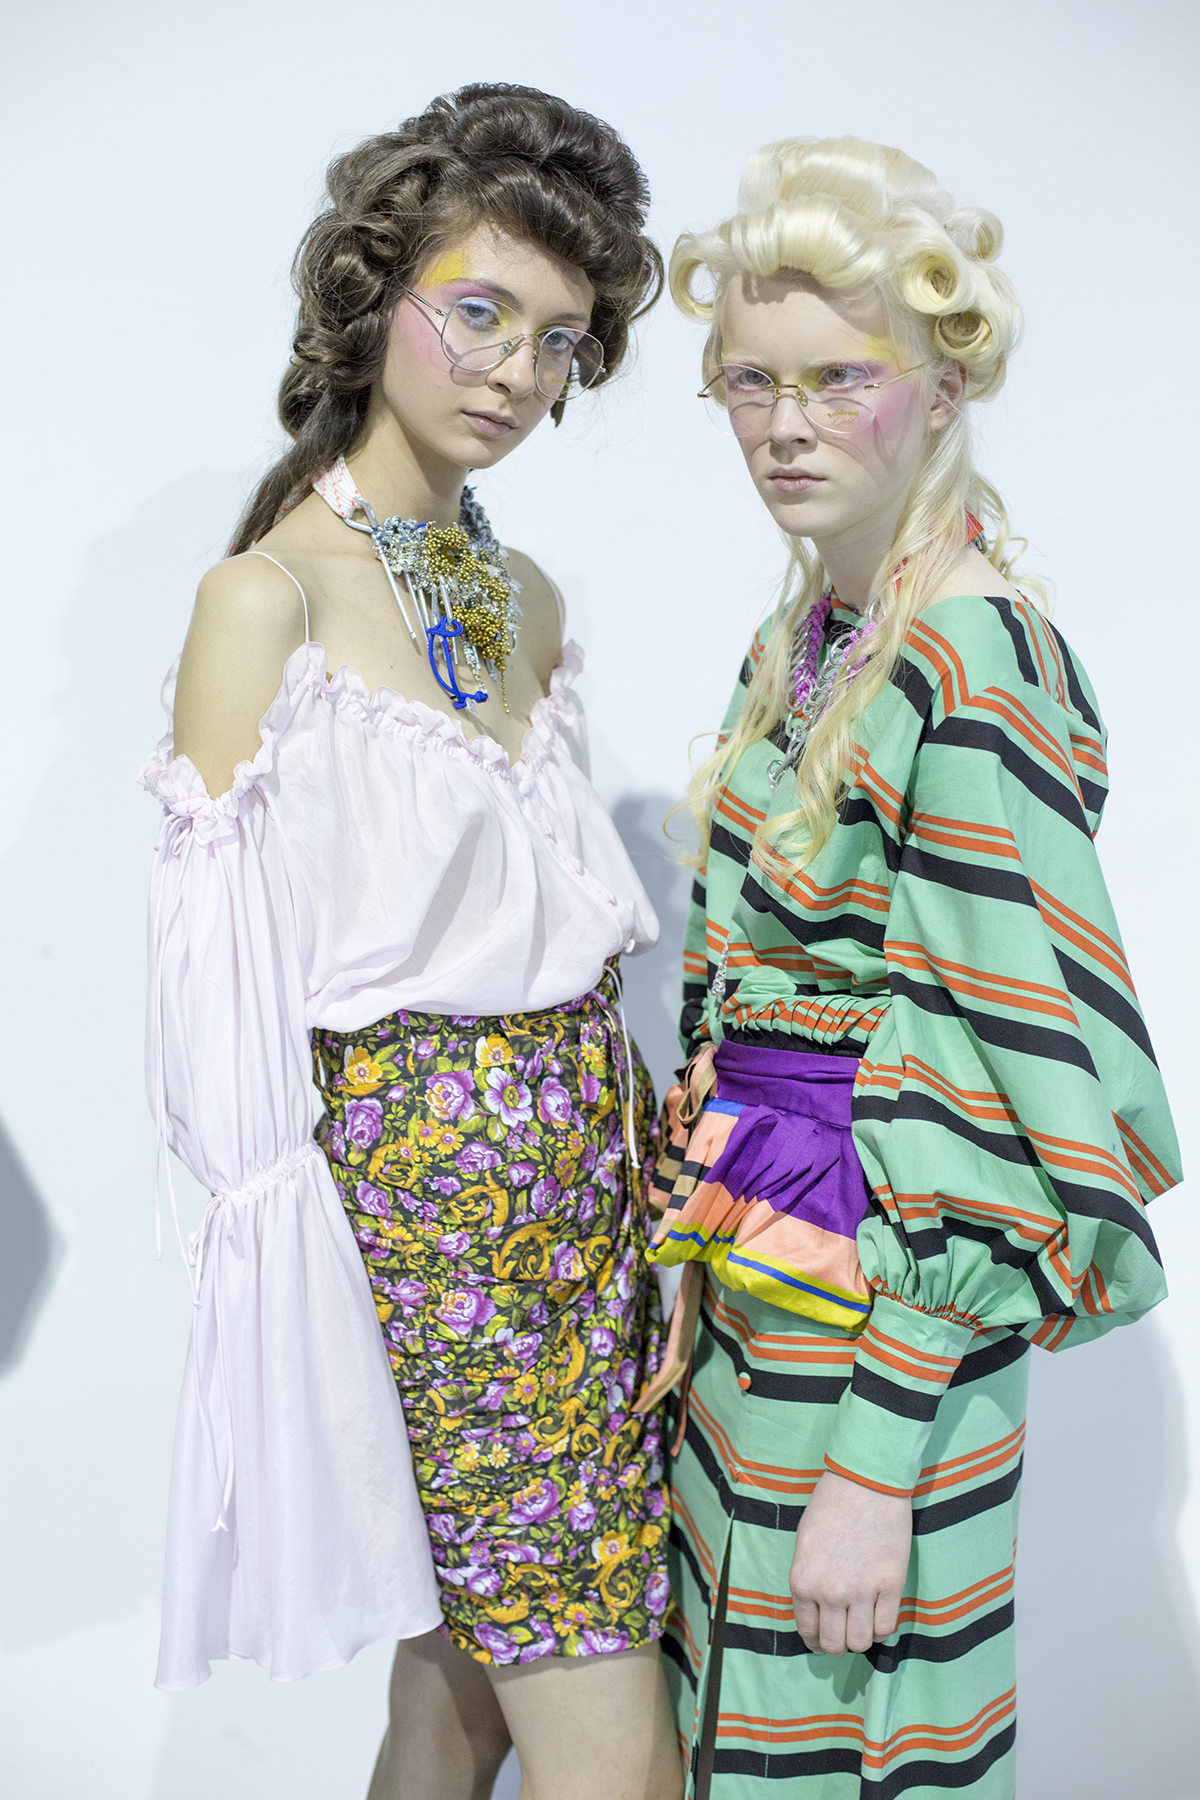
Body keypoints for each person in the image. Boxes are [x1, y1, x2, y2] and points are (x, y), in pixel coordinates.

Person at [143, 83, 682, 1800]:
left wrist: (656, 1196)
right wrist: (292, 1333)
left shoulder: (530, 602)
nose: (517, 371)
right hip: (433, 1240)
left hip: (596, 1201)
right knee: (619, 1754)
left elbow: (560, 937)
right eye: (480, 313)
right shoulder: (267, 600)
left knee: (456, 1700)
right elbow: (219, 1016)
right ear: (376, 295)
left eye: (559, 340)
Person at [641, 136, 1181, 1798]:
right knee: (736, 1719)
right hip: (760, 1267)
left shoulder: (973, 654)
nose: (785, 423)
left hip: (880, 1326)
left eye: (838, 377)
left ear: (941, 387)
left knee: (838, 1736)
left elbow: (1011, 1072)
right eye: (751, 380)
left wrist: (878, 1464)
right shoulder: (810, 630)